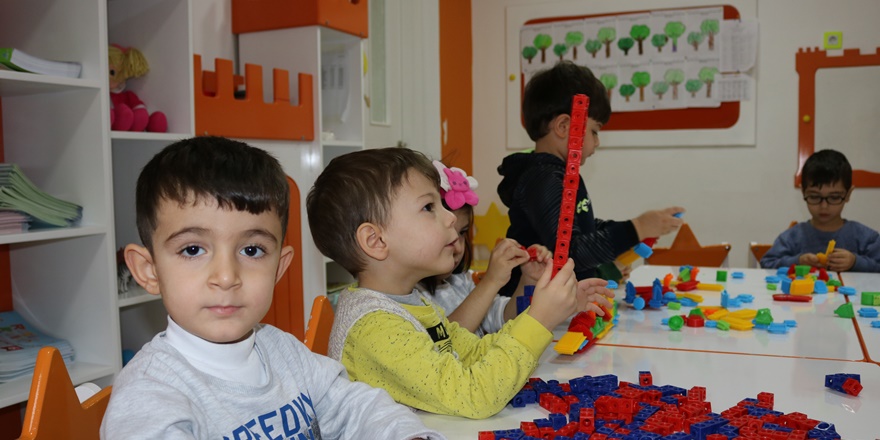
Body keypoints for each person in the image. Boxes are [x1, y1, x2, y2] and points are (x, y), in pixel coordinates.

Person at [101, 137, 444, 440]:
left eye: (252, 250)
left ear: (279, 268)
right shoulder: (149, 397)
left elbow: (356, 405)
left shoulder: (283, 351)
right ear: (149, 271)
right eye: (193, 249)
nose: (226, 276)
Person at [306, 147, 613, 419]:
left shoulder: (413, 301)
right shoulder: (374, 327)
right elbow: (474, 396)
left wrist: (546, 313)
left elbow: (475, 353)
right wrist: (539, 320)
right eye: (429, 207)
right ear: (376, 241)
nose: (451, 218)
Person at [497, 60, 684, 295]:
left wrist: (630, 232)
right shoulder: (544, 179)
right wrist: (637, 228)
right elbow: (570, 253)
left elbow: (582, 229)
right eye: (594, 131)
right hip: (531, 307)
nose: (597, 142)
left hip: (559, 301)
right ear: (564, 126)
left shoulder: (559, 174)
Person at [418, 160, 612, 336]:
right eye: (449, 233)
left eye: (462, 233)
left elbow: (501, 318)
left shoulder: (460, 281)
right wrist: (491, 281)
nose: (458, 246)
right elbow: (446, 340)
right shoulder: (412, 297)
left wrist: (528, 281)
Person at [761, 149, 880, 272]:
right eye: (814, 197)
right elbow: (767, 263)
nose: (824, 206)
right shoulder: (793, 236)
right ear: (803, 192)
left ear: (848, 194)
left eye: (834, 197)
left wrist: (855, 262)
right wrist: (798, 261)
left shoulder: (866, 238)